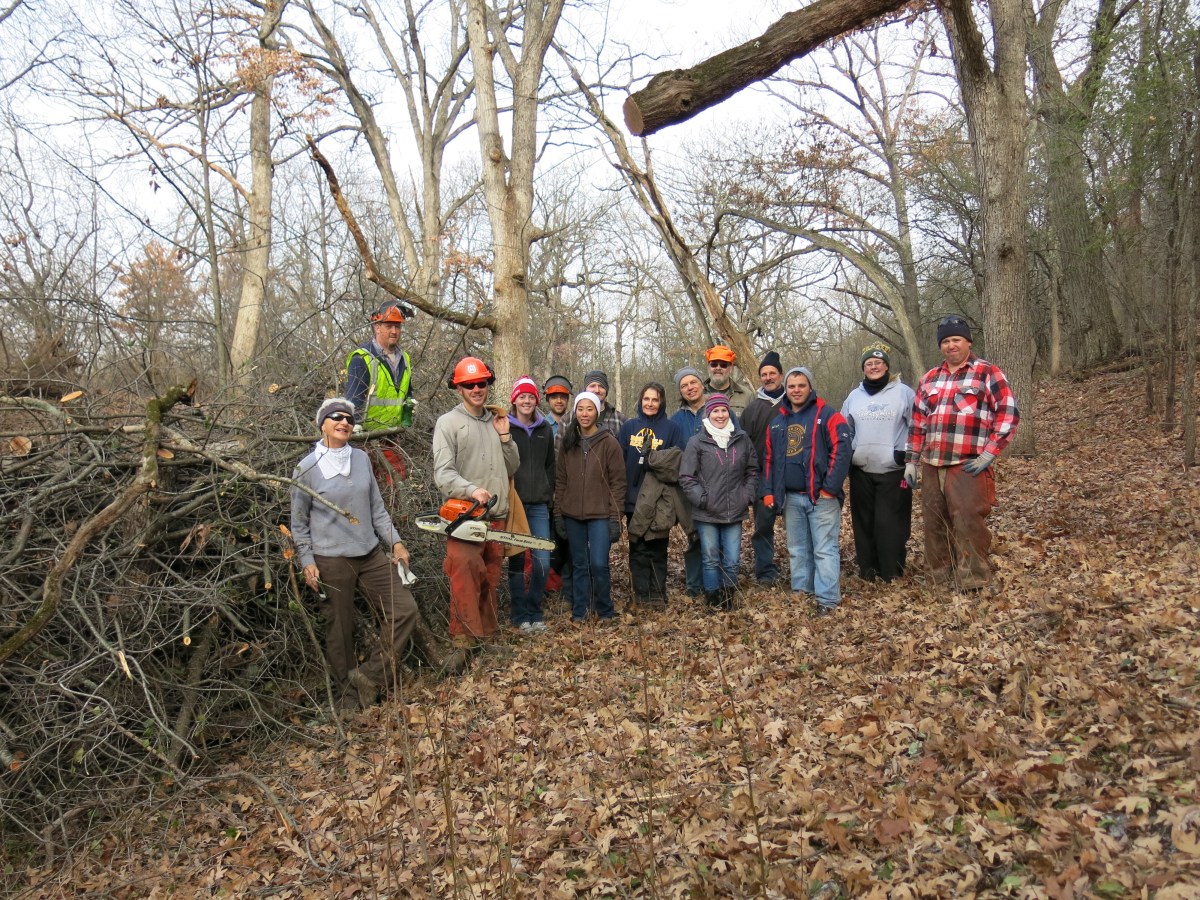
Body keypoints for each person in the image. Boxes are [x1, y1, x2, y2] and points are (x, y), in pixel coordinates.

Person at [290, 398, 422, 712]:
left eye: (349, 418)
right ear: (322, 424)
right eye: (336, 417)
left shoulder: (361, 459)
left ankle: (370, 677)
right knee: (339, 631)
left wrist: (396, 543)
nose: (344, 422)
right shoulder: (306, 468)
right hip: (331, 558)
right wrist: (307, 562)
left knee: (405, 610)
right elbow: (298, 522)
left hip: (370, 552)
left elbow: (377, 509)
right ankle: (348, 700)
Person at [905, 316, 1019, 589]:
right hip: (932, 464)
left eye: (956, 339)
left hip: (968, 464)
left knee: (968, 521)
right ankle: (938, 579)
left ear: (968, 341)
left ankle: (973, 580)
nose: (951, 345)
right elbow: (917, 423)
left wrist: (989, 454)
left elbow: (1008, 414)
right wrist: (911, 461)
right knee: (934, 524)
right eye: (945, 341)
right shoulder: (929, 379)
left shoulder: (987, 373)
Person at [432, 357, 519, 663]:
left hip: (496, 515)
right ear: (459, 388)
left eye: (481, 383)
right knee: (465, 577)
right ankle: (463, 643)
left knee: (489, 579)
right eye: (469, 385)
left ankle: (485, 641)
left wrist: (506, 437)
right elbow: (443, 473)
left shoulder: (496, 421)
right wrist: (471, 490)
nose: (476, 389)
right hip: (466, 516)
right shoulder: (448, 423)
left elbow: (513, 467)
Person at [763, 367, 852, 615]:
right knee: (798, 550)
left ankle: (827, 600)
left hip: (821, 497)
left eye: (801, 385)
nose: (796, 390)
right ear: (786, 389)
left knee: (824, 550)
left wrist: (830, 489)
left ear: (810, 387)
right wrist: (768, 491)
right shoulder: (778, 422)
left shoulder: (828, 415)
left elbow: (842, 451)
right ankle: (802, 594)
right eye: (791, 386)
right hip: (790, 498)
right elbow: (769, 459)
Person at [842, 344, 916, 582]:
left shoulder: (904, 393)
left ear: (886, 366)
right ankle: (868, 571)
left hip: (893, 470)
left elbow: (917, 427)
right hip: (861, 469)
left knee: (889, 523)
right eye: (869, 364)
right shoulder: (854, 396)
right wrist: (848, 456)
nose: (873, 367)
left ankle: (891, 572)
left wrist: (910, 459)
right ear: (863, 368)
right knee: (864, 523)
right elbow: (844, 430)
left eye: (878, 363)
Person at [680, 394, 759, 610]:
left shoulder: (741, 439)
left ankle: (727, 598)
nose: (720, 415)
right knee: (710, 559)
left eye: (724, 410)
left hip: (735, 510)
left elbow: (753, 471)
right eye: (715, 411)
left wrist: (746, 496)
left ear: (729, 413)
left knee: (732, 560)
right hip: (707, 512)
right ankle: (713, 599)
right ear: (708, 414)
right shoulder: (696, 442)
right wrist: (701, 498)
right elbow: (687, 476)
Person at [554, 392, 625, 622]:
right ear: (575, 412)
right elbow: (561, 481)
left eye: (589, 409)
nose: (584, 414)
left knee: (598, 563)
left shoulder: (609, 443)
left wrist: (615, 518)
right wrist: (558, 514)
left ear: (597, 412)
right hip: (572, 514)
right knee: (579, 564)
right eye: (580, 409)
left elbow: (618, 483)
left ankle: (605, 610)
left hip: (600, 515)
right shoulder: (568, 443)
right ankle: (580, 611)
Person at [617, 382, 686, 606]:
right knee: (638, 548)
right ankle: (641, 594)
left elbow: (676, 462)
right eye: (646, 399)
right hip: (633, 498)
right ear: (640, 401)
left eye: (655, 399)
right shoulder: (629, 427)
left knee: (657, 548)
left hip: (660, 499)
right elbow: (619, 462)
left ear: (661, 401)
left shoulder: (672, 428)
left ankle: (657, 594)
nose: (650, 403)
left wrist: (653, 459)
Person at [345, 301, 415, 482]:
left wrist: (409, 409)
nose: (394, 331)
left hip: (392, 437)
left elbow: (406, 393)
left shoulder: (404, 358)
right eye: (389, 326)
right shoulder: (362, 358)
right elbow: (353, 399)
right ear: (377, 327)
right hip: (366, 438)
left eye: (397, 326)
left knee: (395, 487)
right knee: (364, 487)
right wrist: (356, 431)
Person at [507, 377, 555, 633]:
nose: (526, 401)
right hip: (514, 504)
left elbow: (550, 465)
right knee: (516, 561)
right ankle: (520, 615)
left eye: (531, 397)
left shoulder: (544, 428)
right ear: (514, 399)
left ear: (537, 400)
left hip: (538, 505)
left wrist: (549, 494)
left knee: (542, 561)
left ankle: (535, 611)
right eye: (522, 396)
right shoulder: (504, 426)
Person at [740, 350, 787, 585]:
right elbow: (743, 446)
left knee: (798, 526)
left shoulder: (794, 403)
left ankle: (803, 569)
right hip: (763, 478)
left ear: (781, 375)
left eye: (772, 373)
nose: (768, 378)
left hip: (793, 476)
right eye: (764, 374)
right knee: (763, 527)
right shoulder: (752, 409)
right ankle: (765, 571)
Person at [670, 366, 712, 598]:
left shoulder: (718, 409)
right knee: (694, 535)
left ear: (702, 384)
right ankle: (695, 585)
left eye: (693, 383)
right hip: (688, 487)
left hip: (718, 485)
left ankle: (718, 583)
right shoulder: (676, 420)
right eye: (684, 386)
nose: (690, 388)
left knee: (717, 535)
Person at [703, 345, 752, 415]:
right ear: (708, 367)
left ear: (731, 368)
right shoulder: (697, 394)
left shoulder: (747, 396)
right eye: (714, 364)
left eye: (723, 365)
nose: (718, 368)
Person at [580, 369, 627, 434]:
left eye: (601, 386)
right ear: (585, 390)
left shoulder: (620, 420)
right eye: (592, 386)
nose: (597, 390)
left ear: (606, 390)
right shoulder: (570, 418)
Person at [542, 375, 573, 444]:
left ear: (567, 399)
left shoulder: (575, 424)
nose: (559, 401)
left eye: (563, 397)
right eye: (554, 397)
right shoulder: (541, 426)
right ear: (548, 400)